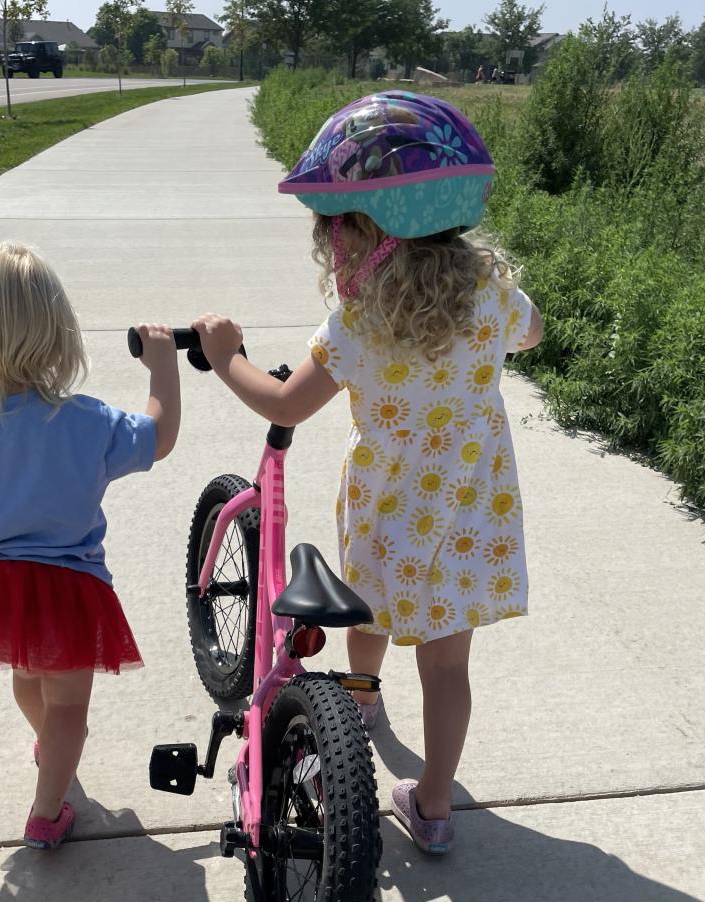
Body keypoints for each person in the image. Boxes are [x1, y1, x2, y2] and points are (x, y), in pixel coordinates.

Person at [191, 92, 542, 857]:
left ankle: (363, 708)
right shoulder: (489, 292)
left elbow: (283, 401)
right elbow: (533, 331)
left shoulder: (359, 325)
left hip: (388, 506)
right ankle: (437, 808)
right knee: (448, 664)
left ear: (362, 232)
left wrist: (226, 359)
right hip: (472, 508)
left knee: (369, 613)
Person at [0, 243, 180, 850]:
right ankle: (48, 808)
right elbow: (158, 437)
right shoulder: (88, 421)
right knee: (68, 700)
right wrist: (162, 366)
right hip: (68, 588)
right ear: (58, 335)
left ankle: (52, 758)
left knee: (27, 681)